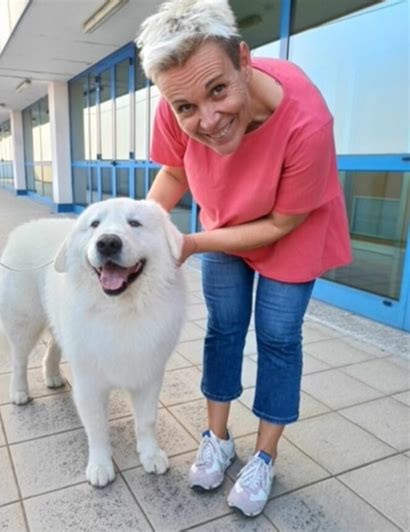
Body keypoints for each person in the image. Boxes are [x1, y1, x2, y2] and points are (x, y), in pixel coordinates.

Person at [136, 0, 352, 518]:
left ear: (243, 58)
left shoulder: (306, 121)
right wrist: (137, 224)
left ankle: (264, 455)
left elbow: (280, 225)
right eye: (186, 106)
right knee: (224, 329)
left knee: (278, 338)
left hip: (289, 231)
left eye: (218, 90)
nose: (207, 119)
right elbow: (174, 173)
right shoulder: (176, 98)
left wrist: (191, 243)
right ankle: (217, 438)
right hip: (225, 219)